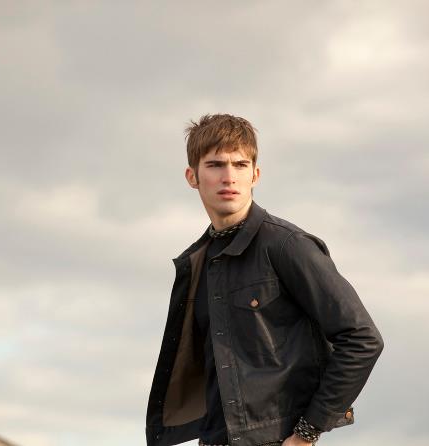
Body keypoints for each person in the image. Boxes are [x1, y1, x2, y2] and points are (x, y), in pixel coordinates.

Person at [145, 114, 383, 446]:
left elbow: (362, 339)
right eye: (215, 165)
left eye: (240, 165)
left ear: (255, 174)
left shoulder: (286, 245)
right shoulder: (198, 263)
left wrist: (306, 433)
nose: (229, 177)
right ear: (192, 177)